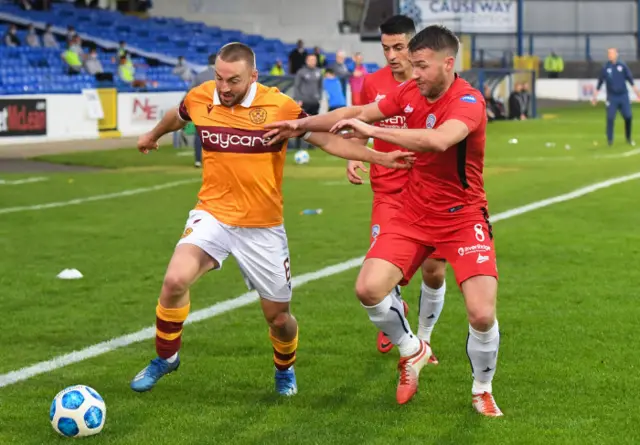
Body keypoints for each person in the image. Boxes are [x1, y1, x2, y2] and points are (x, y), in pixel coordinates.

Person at [130, 42, 415, 397]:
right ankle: (166, 357)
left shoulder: (279, 105)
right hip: (213, 214)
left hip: (262, 227)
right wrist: (153, 134)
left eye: (232, 80)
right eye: (219, 78)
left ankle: (284, 369)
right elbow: (180, 113)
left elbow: (325, 139)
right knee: (174, 281)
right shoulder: (202, 96)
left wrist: (379, 158)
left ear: (253, 76)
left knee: (278, 318)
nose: (223, 87)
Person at [264, 25, 502, 416]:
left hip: (463, 217)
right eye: (412, 64)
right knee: (369, 288)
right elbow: (356, 112)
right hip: (413, 211)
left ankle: (482, 388)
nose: (415, 73)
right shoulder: (410, 92)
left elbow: (439, 140)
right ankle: (414, 349)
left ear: (448, 63)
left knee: (481, 313)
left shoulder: (468, 101)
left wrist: (371, 132)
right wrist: (301, 124)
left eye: (421, 66)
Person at [343, 15, 448, 359]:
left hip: (429, 192)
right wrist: (352, 155)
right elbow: (361, 123)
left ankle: (424, 335)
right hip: (387, 192)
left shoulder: (431, 85)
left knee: (433, 271)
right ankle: (407, 335)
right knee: (380, 273)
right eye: (386, 48)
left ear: (414, 46)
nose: (391, 55)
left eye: (399, 47)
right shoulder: (373, 83)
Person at [592, 48, 640, 146]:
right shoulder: (605, 68)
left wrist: (638, 94)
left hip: (623, 96)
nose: (610, 55)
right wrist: (595, 97)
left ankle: (628, 137)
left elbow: (631, 81)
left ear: (616, 54)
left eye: (612, 53)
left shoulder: (622, 66)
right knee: (610, 118)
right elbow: (599, 83)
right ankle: (610, 140)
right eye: (609, 53)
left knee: (628, 116)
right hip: (612, 97)